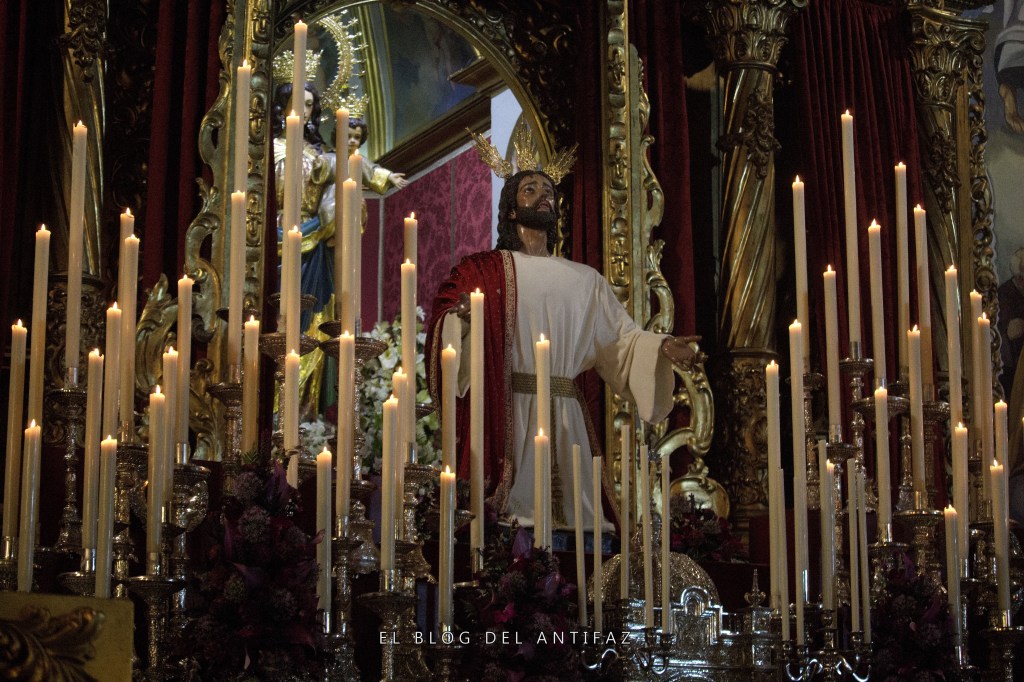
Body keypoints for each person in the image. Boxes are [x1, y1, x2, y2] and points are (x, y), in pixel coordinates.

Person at [426, 168, 697, 532]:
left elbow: (622, 340)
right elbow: (448, 318)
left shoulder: (584, 280)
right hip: (510, 412)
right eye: (530, 189)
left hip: (567, 416)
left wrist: (661, 346)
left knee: (579, 524)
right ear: (511, 210)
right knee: (510, 524)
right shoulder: (484, 271)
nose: (544, 196)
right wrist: (460, 320)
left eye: (549, 191)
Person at [272, 82, 337, 416]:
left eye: (310, 104)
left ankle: (302, 410)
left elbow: (338, 194)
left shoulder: (320, 157)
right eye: (298, 102)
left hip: (312, 244)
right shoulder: (267, 150)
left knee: (311, 321)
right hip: (272, 239)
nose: (303, 109)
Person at [342, 117, 410, 193]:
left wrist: (389, 176)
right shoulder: (332, 158)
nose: (352, 141)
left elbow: (372, 170)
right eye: (348, 136)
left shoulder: (358, 161)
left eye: (357, 137)